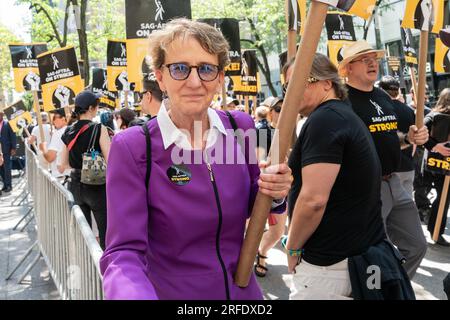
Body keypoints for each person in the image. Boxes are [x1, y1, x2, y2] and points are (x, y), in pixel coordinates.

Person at [100, 18, 292, 300]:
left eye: (206, 69)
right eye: (179, 68)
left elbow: (254, 201)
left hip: (243, 294)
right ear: (160, 77)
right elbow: (123, 253)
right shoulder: (133, 146)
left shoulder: (240, 127)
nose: (194, 82)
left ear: (219, 78)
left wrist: (274, 190)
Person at [286, 53, 412, 300]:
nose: (289, 91)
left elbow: (313, 200)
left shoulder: (326, 119)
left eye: (299, 81)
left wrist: (292, 247)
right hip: (353, 257)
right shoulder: (341, 115)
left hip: (329, 266)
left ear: (326, 83)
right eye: (286, 85)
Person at [338, 40, 428, 279]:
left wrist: (411, 137)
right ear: (347, 68)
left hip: (394, 182)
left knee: (418, 246)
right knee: (375, 255)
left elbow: (393, 137)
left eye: (374, 58)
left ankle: (393, 290)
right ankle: (373, 292)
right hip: (365, 188)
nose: (372, 63)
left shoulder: (383, 97)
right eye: (363, 59)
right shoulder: (342, 102)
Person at [60, 90, 111, 250]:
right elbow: (111, 159)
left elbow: (63, 163)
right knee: (105, 232)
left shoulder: (68, 131)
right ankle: (105, 270)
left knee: (84, 232)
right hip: (96, 185)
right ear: (90, 108)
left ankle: (88, 266)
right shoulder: (99, 128)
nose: (97, 109)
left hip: (75, 184)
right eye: (96, 106)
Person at [254, 96, 288, 278]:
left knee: (278, 232)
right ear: (270, 112)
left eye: (285, 108)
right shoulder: (262, 130)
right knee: (253, 228)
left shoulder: (293, 129)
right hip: (266, 186)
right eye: (278, 109)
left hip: (290, 186)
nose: (282, 112)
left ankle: (262, 250)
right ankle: (260, 255)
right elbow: (258, 160)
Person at [377, 76, 416, 196]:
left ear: (381, 90)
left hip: (391, 170)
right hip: (408, 167)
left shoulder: (382, 110)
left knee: (390, 212)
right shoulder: (409, 110)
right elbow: (414, 139)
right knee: (407, 207)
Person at [422, 88, 450, 246]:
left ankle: (435, 229)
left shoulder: (432, 115)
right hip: (437, 164)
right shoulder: (433, 116)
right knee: (443, 197)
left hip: (435, 163)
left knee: (443, 197)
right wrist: (436, 146)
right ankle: (435, 230)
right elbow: (420, 133)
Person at [38, 108, 71, 180]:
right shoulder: (73, 130)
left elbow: (50, 158)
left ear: (63, 119)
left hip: (61, 177)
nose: (53, 121)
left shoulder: (58, 134)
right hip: (72, 175)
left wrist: (43, 148)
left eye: (54, 118)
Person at [0, 110, 17, 194]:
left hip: (6, 150)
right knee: (1, 169)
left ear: (2, 115)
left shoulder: (7, 124)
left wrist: (13, 148)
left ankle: (9, 185)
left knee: (7, 168)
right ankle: (5, 185)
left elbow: (13, 135)